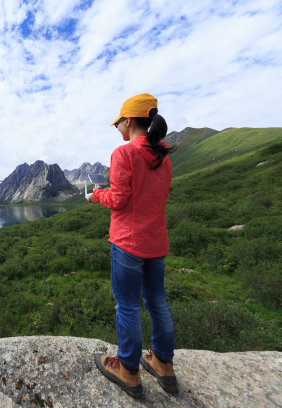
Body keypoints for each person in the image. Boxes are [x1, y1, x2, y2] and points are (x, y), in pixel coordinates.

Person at [90, 93, 178, 399]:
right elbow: (160, 194)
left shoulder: (123, 153)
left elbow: (119, 199)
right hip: (157, 242)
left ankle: (128, 371)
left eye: (118, 123)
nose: (117, 128)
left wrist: (95, 195)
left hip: (128, 242)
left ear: (128, 121)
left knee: (127, 305)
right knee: (157, 301)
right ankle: (163, 365)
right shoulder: (162, 157)